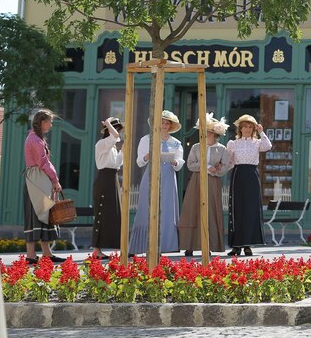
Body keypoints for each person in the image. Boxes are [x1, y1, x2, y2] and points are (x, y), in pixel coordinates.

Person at [129, 110, 184, 255]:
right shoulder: (147, 139)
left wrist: (174, 161)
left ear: (171, 126)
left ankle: (166, 245)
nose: (164, 125)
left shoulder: (176, 143)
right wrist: (147, 156)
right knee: (147, 208)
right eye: (162, 122)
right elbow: (139, 162)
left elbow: (179, 164)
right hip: (151, 176)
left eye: (167, 123)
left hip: (168, 179)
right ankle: (140, 246)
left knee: (167, 210)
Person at [179, 113, 232, 256]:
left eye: (208, 131)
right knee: (193, 210)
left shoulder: (222, 149)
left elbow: (226, 166)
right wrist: (207, 167)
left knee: (210, 211)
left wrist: (215, 170)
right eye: (204, 130)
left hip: (212, 182)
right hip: (196, 181)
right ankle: (189, 245)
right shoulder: (196, 147)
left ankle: (207, 244)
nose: (205, 133)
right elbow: (190, 165)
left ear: (215, 133)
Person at [226, 114, 272, 257]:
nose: (247, 129)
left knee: (251, 210)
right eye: (245, 126)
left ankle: (247, 245)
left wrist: (261, 131)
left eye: (250, 126)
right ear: (240, 128)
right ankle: (235, 246)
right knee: (237, 209)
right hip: (238, 174)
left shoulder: (257, 142)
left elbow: (268, 146)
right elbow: (229, 161)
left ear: (253, 129)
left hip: (252, 175)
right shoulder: (233, 143)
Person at [23, 109, 65, 264]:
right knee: (35, 215)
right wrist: (55, 179)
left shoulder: (36, 139)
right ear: (42, 122)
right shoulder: (34, 140)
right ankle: (31, 255)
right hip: (36, 180)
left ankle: (46, 253)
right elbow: (43, 162)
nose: (51, 124)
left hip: (37, 179)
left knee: (43, 215)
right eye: (49, 121)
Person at [90, 116, 123, 259]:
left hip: (113, 179)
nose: (117, 132)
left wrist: (123, 151)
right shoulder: (101, 144)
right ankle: (96, 249)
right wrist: (108, 122)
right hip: (104, 179)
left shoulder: (112, 147)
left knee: (114, 213)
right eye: (115, 129)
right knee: (101, 213)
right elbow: (114, 137)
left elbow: (117, 163)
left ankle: (116, 246)